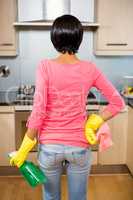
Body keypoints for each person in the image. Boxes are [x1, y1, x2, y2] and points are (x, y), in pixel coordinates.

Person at [10, 15, 125, 200]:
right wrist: (96, 120)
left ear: (54, 39)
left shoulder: (44, 67)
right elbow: (118, 103)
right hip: (79, 146)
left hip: (49, 148)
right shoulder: (90, 69)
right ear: (79, 38)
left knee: (50, 196)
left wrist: (24, 146)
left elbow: (39, 110)